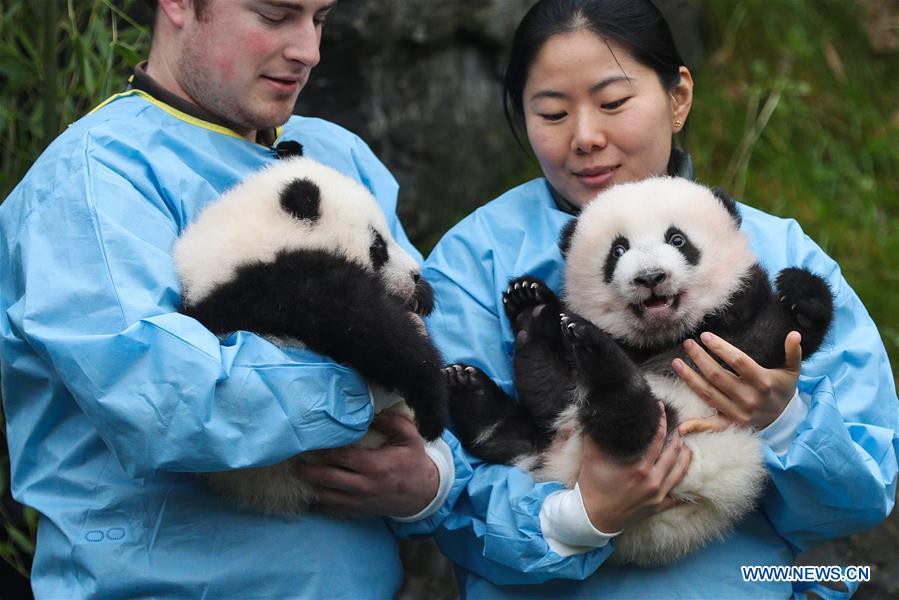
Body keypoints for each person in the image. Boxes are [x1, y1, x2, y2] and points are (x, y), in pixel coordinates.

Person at [423, 0, 899, 597]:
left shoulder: (776, 247)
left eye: (614, 102)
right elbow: (436, 495)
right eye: (550, 112)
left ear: (678, 99)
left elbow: (861, 499)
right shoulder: (476, 257)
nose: (586, 136)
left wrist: (782, 422)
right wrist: (581, 514)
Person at [0, 0, 472, 597]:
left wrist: (427, 483)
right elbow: (169, 404)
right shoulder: (94, 181)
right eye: (276, 16)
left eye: (320, 19)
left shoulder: (337, 155)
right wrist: (385, 373)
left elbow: (445, 354)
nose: (309, 50)